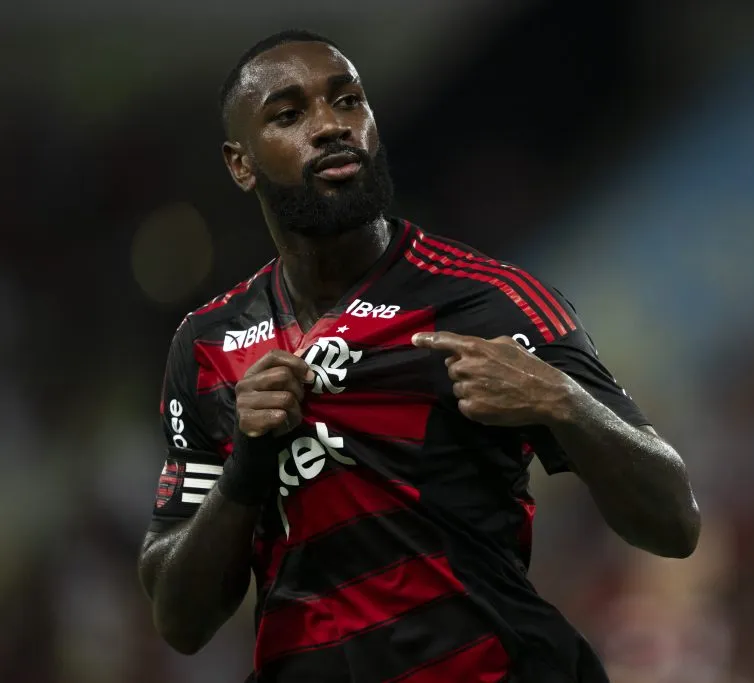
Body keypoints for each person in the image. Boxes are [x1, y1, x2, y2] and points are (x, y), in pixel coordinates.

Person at [137, 29, 700, 683]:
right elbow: (181, 619)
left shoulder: (492, 301)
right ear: (241, 163)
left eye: (348, 102)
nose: (330, 127)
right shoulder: (207, 345)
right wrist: (247, 465)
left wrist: (561, 400)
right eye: (290, 115)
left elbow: (674, 520)